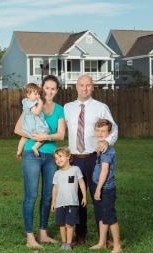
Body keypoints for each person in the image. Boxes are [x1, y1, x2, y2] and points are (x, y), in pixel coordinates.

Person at [64, 74, 118, 244]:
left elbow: (114, 129)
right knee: (77, 198)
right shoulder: (67, 108)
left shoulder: (101, 107)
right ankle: (80, 235)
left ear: (93, 87)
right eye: (81, 85)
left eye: (88, 85)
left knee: (98, 197)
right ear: (76, 87)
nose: (84, 88)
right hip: (74, 159)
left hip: (94, 159)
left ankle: (105, 237)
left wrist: (106, 142)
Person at [13, 75, 65, 249]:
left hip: (51, 156)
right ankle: (30, 237)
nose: (48, 91)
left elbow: (61, 135)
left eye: (53, 88)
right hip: (31, 154)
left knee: (48, 196)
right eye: (46, 88)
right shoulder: (31, 103)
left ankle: (43, 233)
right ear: (41, 88)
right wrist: (34, 136)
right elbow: (17, 129)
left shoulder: (59, 109)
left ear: (56, 91)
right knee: (32, 195)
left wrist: (46, 136)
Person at [89, 119, 121, 253]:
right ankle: (102, 242)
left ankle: (117, 246)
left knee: (110, 217)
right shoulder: (100, 146)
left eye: (104, 131)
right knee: (102, 215)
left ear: (109, 133)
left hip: (105, 188)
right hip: (100, 186)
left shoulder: (107, 151)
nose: (101, 133)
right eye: (98, 130)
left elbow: (105, 171)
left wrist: (97, 189)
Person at [51, 147, 87, 250]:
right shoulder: (57, 173)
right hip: (60, 203)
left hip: (72, 203)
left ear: (68, 156)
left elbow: (81, 183)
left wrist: (84, 196)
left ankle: (69, 244)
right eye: (56, 158)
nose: (58, 160)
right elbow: (55, 188)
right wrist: (53, 202)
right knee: (62, 224)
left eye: (60, 156)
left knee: (69, 224)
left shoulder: (75, 169)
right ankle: (63, 243)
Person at [16, 83, 49, 159]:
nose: (37, 95)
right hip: (33, 124)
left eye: (38, 93)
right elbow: (36, 112)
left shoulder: (25, 101)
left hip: (27, 124)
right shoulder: (31, 103)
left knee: (24, 137)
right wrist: (40, 103)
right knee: (44, 135)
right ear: (28, 95)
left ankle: (19, 151)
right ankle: (35, 147)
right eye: (35, 94)